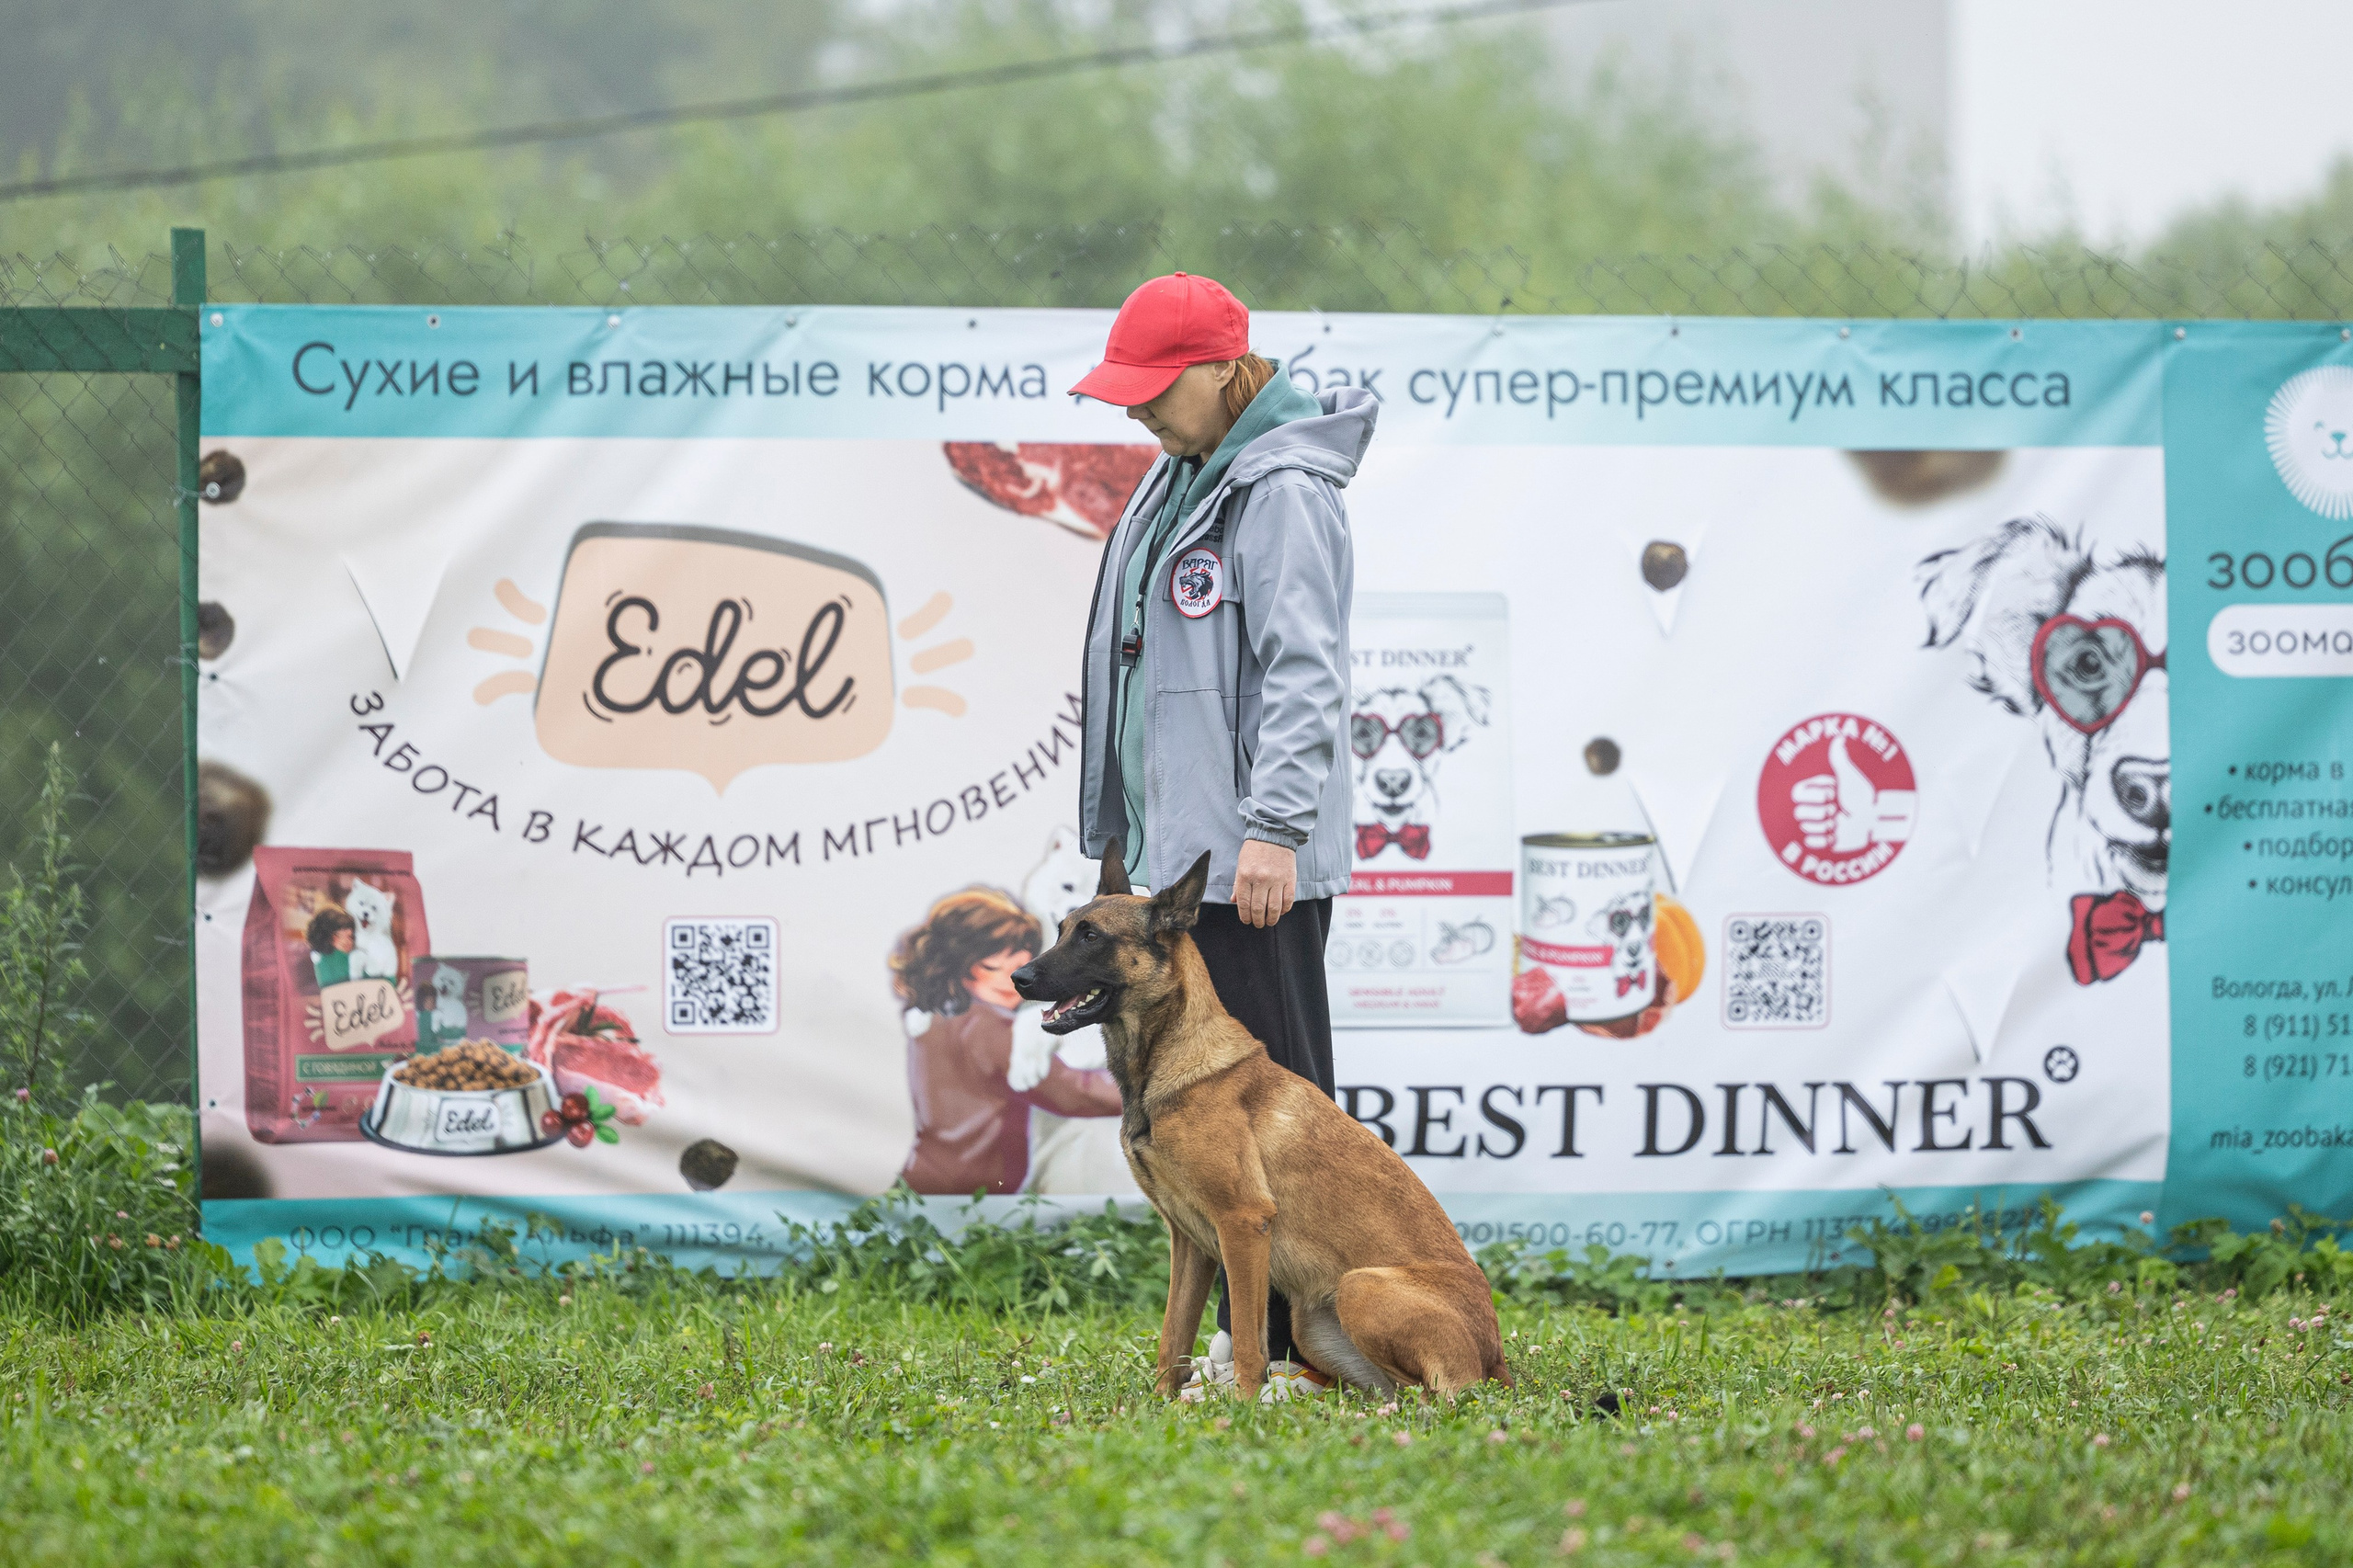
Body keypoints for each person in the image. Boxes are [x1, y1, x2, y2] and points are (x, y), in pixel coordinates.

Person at [1068, 272, 1375, 1400]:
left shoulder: (1283, 487)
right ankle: (1271, 1347)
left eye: (1154, 390)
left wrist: (1276, 827)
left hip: (1254, 862)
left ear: (1222, 371)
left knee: (1284, 1112)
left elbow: (1304, 671)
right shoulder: (1183, 475)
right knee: (1216, 1130)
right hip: (1185, 857)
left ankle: (1312, 1355)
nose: (1135, 411)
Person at [892, 886, 1122, 1194]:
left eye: (1021, 953)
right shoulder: (989, 1028)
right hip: (966, 1198)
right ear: (962, 963)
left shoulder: (934, 1017)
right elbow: (1074, 1094)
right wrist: (1150, 1085)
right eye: (994, 961)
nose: (1013, 971)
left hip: (924, 1185)